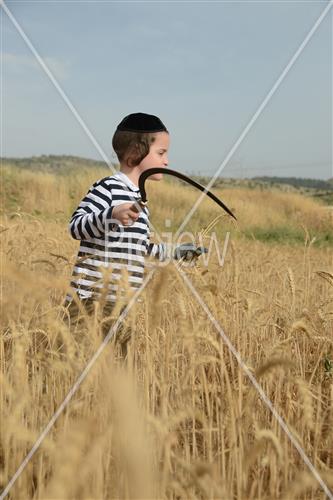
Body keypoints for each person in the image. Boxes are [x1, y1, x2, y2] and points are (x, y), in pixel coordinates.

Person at [62, 112, 205, 353]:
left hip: (123, 306)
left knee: (116, 375)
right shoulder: (107, 188)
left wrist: (176, 253)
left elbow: (142, 250)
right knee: (72, 365)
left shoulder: (139, 202)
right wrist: (111, 214)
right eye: (161, 153)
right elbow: (76, 227)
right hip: (89, 302)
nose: (167, 161)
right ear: (135, 153)